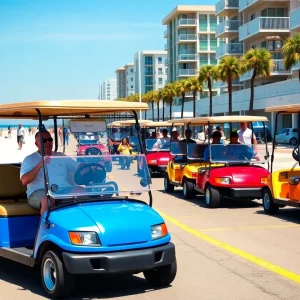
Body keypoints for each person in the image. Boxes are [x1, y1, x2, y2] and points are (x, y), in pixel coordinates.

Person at [20, 130, 79, 216]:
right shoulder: (29, 160)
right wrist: (40, 165)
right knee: (47, 200)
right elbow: (24, 181)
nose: (48, 142)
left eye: (50, 140)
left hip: (63, 190)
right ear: (37, 144)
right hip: (39, 192)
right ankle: (45, 228)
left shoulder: (60, 156)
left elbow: (77, 167)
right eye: (44, 140)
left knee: (83, 191)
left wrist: (92, 166)